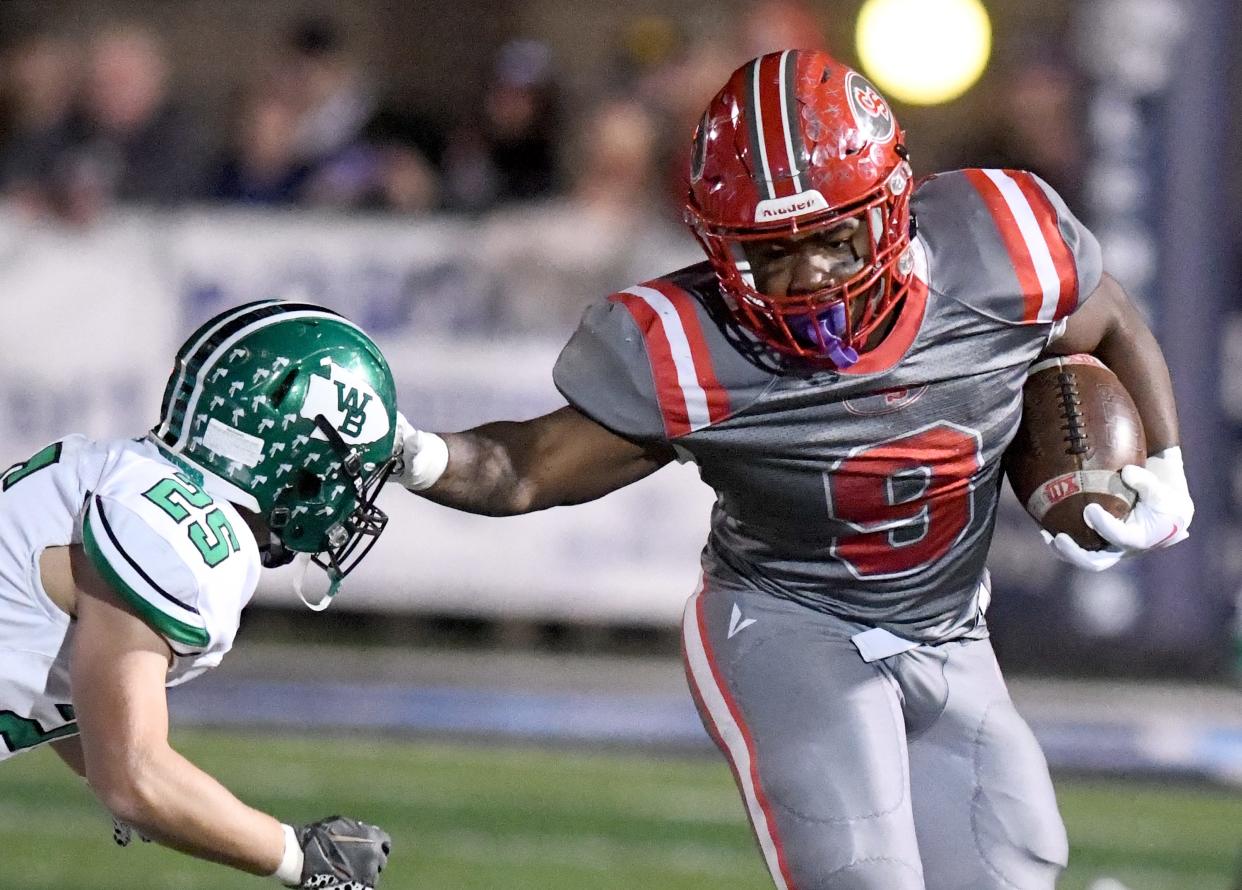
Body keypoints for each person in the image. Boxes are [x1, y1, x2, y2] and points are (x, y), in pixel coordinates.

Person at [392, 50, 1195, 889]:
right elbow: (524, 468)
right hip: (786, 621)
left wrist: (1167, 465)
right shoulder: (694, 342)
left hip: (947, 628)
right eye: (769, 254)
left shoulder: (1002, 246)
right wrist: (410, 452)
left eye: (832, 240)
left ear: (892, 207)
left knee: (1013, 870)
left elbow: (1108, 318)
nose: (807, 277)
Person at [0, 300, 397, 888]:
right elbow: (133, 778)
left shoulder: (125, 471)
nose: (347, 492)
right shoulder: (182, 537)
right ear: (298, 459)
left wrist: (170, 803)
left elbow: (56, 678)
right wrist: (300, 857)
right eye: (345, 469)